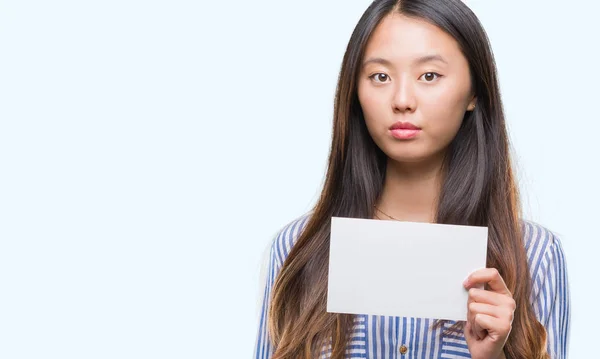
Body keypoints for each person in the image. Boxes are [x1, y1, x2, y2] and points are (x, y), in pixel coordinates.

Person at [254, 0, 570, 358]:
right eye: (381, 77)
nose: (402, 100)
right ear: (355, 92)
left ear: (474, 92)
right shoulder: (297, 251)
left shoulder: (534, 256)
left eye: (429, 76)